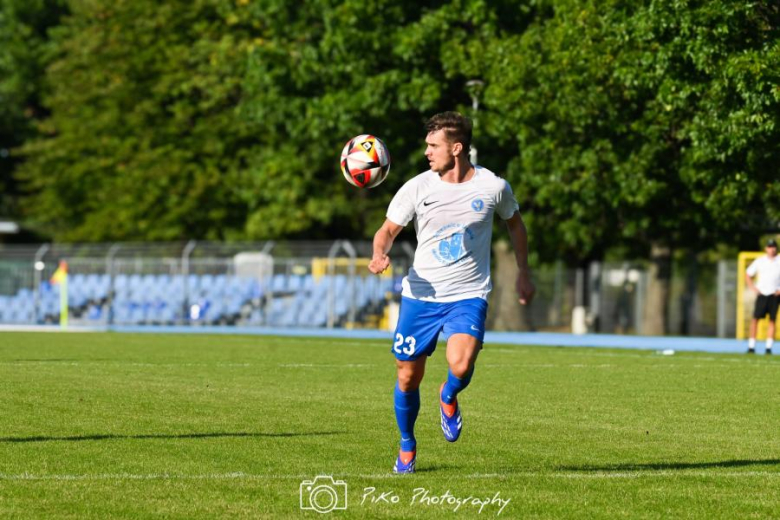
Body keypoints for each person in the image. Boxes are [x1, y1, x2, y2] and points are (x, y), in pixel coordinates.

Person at [368, 112, 535, 474]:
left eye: (433, 146)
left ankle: (448, 395)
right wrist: (379, 253)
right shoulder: (417, 187)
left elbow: (516, 225)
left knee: (460, 364)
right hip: (421, 296)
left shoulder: (493, 187)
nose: (427, 152)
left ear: (456, 148)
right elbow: (387, 230)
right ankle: (407, 445)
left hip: (468, 294)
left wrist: (524, 272)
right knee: (407, 377)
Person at [746, 238, 780, 354]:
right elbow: (748, 274)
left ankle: (768, 347)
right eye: (769, 247)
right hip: (762, 294)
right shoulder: (760, 261)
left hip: (774, 295)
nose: (771, 249)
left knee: (772, 320)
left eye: (773, 247)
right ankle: (751, 346)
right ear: (766, 248)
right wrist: (753, 288)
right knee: (755, 319)